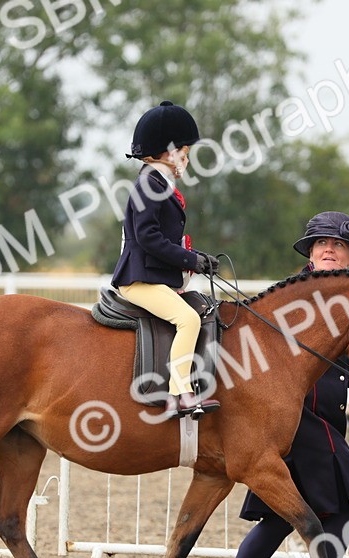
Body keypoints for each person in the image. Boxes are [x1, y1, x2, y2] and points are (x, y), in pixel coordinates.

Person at [209, 211, 349, 558]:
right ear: (310, 252)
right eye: (322, 243)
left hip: (330, 414)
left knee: (281, 515)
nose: (329, 250)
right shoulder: (289, 297)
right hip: (291, 415)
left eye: (338, 245)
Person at [112, 100, 222, 419]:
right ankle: (180, 393)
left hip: (152, 276)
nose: (187, 160)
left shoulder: (158, 183)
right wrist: (190, 259)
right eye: (185, 153)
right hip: (138, 279)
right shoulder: (149, 184)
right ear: (169, 153)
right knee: (188, 319)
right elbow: (148, 237)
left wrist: (195, 259)